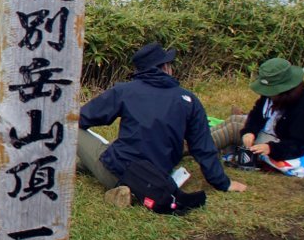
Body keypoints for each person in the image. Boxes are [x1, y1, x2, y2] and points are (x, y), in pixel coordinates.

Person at [77, 42, 247, 204]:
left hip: (118, 172)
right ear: (165, 67)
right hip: (156, 179)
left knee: (69, 126)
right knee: (108, 149)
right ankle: (102, 175)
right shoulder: (189, 100)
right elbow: (203, 147)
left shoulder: (124, 91)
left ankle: (94, 172)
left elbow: (82, 118)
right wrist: (223, 183)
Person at [215, 57, 304, 167]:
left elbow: (300, 145)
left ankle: (205, 149)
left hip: (292, 149)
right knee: (234, 119)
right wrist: (249, 131)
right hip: (274, 134)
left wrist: (271, 148)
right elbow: (256, 115)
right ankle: (209, 145)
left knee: (234, 128)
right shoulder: (274, 95)